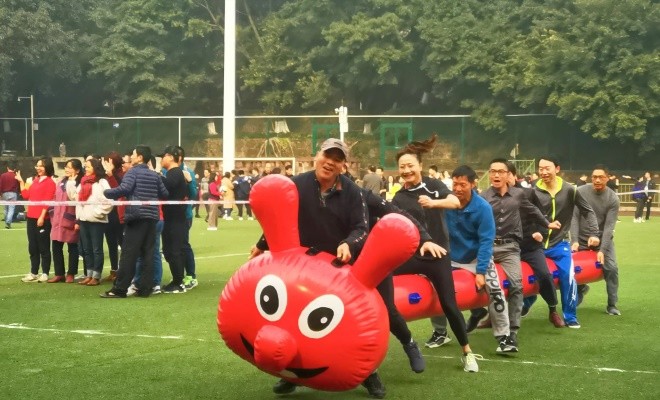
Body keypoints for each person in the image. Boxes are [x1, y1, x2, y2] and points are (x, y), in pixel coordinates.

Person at [249, 138, 385, 398]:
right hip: (301, 267)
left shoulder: (353, 192)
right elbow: (281, 216)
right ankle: (291, 374)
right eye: (327, 155)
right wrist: (261, 244)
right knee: (293, 321)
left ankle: (369, 373)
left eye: (337, 159)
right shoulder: (297, 184)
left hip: (338, 269)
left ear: (343, 165)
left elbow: (361, 228)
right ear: (317, 155)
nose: (330, 162)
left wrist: (348, 243)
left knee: (350, 325)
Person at [390, 138, 480, 371]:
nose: (406, 170)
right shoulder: (399, 197)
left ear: (420, 166)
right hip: (411, 256)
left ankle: (467, 352)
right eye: (402, 166)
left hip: (437, 256)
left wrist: (433, 203)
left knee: (449, 304)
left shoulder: (433, 185)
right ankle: (408, 342)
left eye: (410, 165)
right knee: (383, 277)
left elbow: (455, 202)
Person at [428, 164, 517, 355]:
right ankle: (440, 332)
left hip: (476, 257)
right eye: (455, 184)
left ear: (473, 184)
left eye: (463, 185)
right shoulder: (447, 204)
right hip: (451, 256)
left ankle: (504, 337)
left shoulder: (482, 208)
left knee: (495, 290)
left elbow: (486, 242)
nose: (458, 189)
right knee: (435, 286)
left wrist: (481, 271)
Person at [477, 159, 561, 347]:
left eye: (500, 171)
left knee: (516, 285)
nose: (496, 175)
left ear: (508, 175)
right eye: (492, 171)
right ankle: (483, 315)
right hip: (488, 248)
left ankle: (513, 331)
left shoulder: (519, 195)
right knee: (485, 284)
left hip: (511, 249)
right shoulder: (483, 197)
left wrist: (547, 224)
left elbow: (533, 211)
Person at [531, 157, 600, 328]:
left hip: (559, 243)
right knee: (527, 276)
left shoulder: (570, 190)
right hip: (535, 245)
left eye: (547, 168)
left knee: (567, 276)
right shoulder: (532, 190)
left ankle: (570, 316)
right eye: (540, 168)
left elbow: (588, 211)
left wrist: (594, 233)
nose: (543, 172)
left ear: (557, 169)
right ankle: (522, 308)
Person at [101, 145, 168, 298]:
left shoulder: (132, 172)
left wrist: (105, 192)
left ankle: (119, 289)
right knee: (148, 253)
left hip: (136, 217)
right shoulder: (154, 175)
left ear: (140, 157)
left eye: (133, 154)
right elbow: (164, 193)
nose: (130, 157)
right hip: (152, 217)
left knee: (128, 254)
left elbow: (124, 189)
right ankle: (145, 289)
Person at [570, 165, 620, 315]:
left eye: (601, 177)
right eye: (594, 177)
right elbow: (574, 217)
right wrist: (574, 240)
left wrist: (602, 250)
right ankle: (580, 289)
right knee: (571, 268)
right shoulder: (580, 192)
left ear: (607, 178)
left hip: (602, 239)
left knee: (611, 268)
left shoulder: (613, 198)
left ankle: (612, 305)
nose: (597, 180)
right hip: (581, 239)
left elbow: (609, 227)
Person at [17, 158, 57, 282]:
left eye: (41, 166)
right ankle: (33, 272)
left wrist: (42, 216)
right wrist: (21, 181)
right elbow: (26, 195)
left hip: (42, 219)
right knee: (33, 247)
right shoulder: (35, 180)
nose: (38, 168)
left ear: (47, 167)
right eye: (37, 166)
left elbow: (48, 200)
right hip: (31, 218)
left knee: (43, 246)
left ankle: (45, 273)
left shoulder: (50, 182)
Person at [76, 158, 113, 286]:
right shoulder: (82, 181)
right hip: (83, 219)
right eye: (85, 166)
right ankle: (89, 274)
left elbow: (109, 201)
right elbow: (75, 199)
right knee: (87, 249)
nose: (86, 168)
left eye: (88, 166)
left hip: (97, 221)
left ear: (95, 168)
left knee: (97, 249)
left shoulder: (102, 182)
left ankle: (96, 276)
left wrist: (97, 213)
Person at [158, 145, 190, 294]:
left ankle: (178, 282)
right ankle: (177, 280)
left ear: (171, 157)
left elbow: (167, 186)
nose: (161, 159)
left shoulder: (175, 172)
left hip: (175, 219)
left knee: (174, 250)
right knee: (169, 250)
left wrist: (157, 175)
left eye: (163, 156)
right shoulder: (173, 173)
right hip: (172, 218)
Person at [48, 159, 83, 283]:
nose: (67, 169)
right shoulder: (61, 181)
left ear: (77, 170)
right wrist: (52, 213)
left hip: (71, 219)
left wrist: (78, 221)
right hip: (57, 220)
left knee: (72, 247)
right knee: (56, 246)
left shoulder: (79, 183)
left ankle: (71, 273)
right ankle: (59, 274)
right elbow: (54, 198)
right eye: (66, 167)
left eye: (70, 167)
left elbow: (78, 202)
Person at [1, 163, 19, 228]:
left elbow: (0, 185)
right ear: (14, 169)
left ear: (7, 168)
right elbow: (18, 185)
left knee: (6, 208)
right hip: (13, 193)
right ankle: (8, 222)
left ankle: (6, 222)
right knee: (11, 208)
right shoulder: (15, 176)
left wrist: (0, 194)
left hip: (4, 194)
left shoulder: (3, 175)